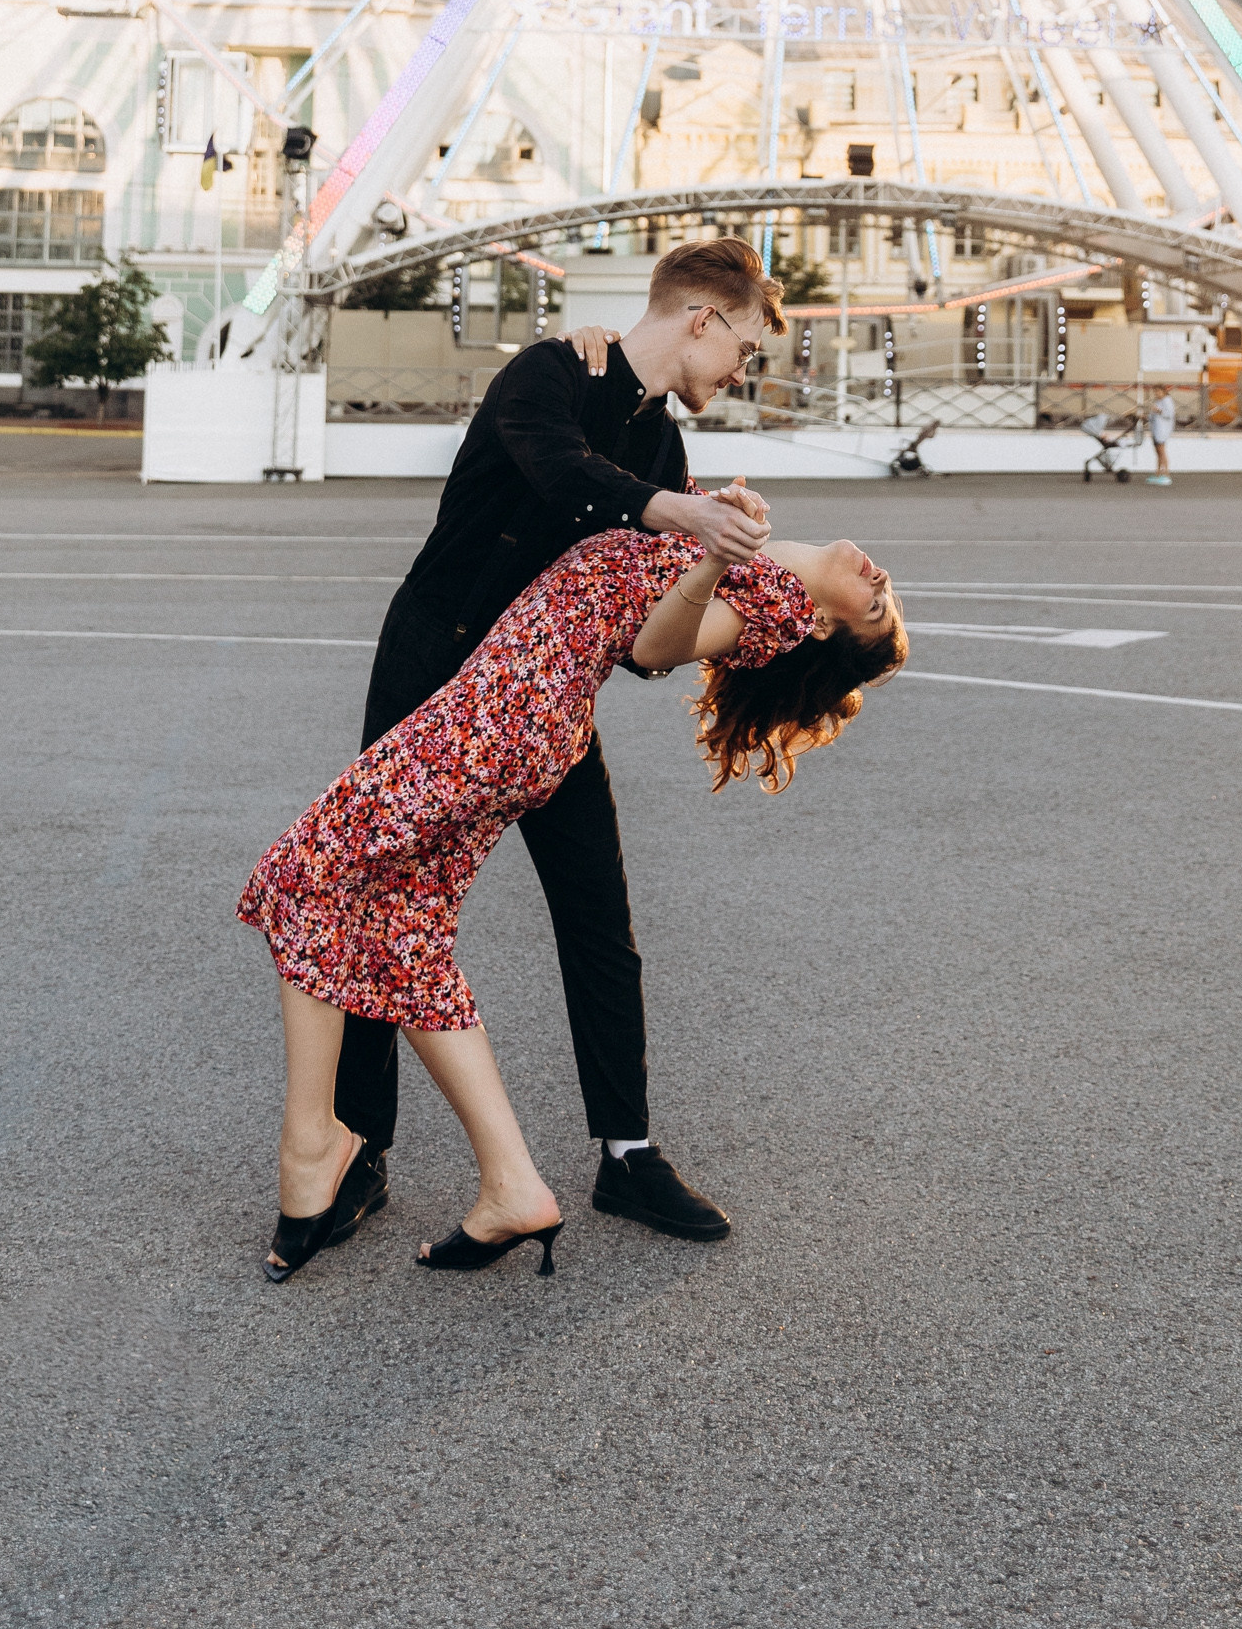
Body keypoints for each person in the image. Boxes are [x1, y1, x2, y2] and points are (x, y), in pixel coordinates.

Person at [240, 517, 906, 1280]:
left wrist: (712, 556)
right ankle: (511, 1186)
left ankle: (310, 1149)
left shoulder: (776, 603)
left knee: (301, 879)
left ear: (822, 625)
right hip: (512, 708)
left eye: (879, 608)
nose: (883, 582)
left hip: (507, 713)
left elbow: (654, 648)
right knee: (400, 935)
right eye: (889, 595)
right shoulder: (738, 545)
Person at [314, 236, 791, 1259]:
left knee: (598, 919)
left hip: (542, 708)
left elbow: (639, 635)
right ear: (698, 318)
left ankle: (627, 1153)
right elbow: (559, 470)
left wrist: (753, 591)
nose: (741, 374)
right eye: (742, 349)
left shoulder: (663, 450)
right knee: (371, 901)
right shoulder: (548, 371)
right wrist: (679, 512)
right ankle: (359, 1149)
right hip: (432, 670)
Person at [1145, 386, 1176, 488]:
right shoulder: (1158, 401)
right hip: (1156, 430)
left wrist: (1158, 411)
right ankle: (1158, 472)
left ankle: (1166, 473)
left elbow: (1169, 414)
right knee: (1158, 452)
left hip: (1162, 430)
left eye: (1158, 391)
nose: (1156, 394)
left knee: (1162, 451)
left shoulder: (1167, 401)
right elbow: (1152, 415)